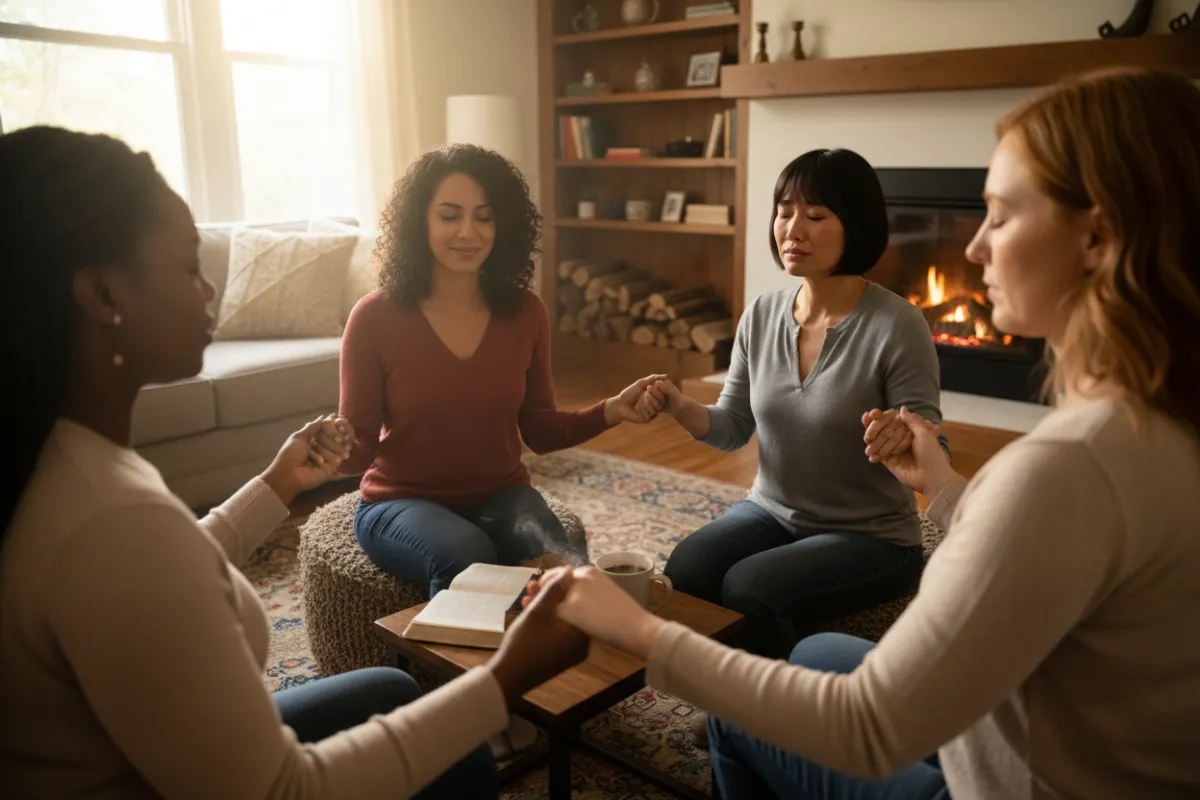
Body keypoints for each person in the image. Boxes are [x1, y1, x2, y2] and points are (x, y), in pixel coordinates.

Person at [530, 67, 1200, 799]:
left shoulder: (1058, 463)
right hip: (1021, 726)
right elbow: (731, 427)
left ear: (1097, 238)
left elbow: (868, 726)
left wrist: (635, 632)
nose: (974, 249)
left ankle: (741, 702)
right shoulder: (1157, 433)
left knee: (742, 681)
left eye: (1001, 217)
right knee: (792, 632)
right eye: (786, 211)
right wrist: (942, 486)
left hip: (988, 761)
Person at [0, 126, 590, 799]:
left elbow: (163, 563)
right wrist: (501, 684)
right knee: (461, 763)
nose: (209, 294)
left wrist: (276, 484)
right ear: (103, 295)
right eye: (189, 266)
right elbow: (284, 791)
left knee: (393, 688)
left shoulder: (68, 465)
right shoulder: (114, 520)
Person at [639, 148, 946, 660]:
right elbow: (732, 426)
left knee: (748, 585)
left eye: (816, 216)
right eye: (784, 211)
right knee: (688, 568)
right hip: (771, 510)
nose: (792, 229)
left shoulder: (897, 325)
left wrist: (901, 434)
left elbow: (933, 445)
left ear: (857, 225)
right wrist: (677, 404)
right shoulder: (761, 314)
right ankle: (720, 680)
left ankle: (770, 707)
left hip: (870, 537)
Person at [338, 144, 660, 597]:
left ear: (502, 224)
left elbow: (541, 431)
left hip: (499, 494)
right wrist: (331, 446)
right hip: (399, 502)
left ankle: (575, 663)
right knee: (466, 553)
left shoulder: (526, 313)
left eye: (484, 216)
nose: (468, 232)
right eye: (449, 215)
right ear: (420, 222)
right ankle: (458, 669)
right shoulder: (374, 317)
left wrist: (612, 410)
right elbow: (358, 452)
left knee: (564, 564)